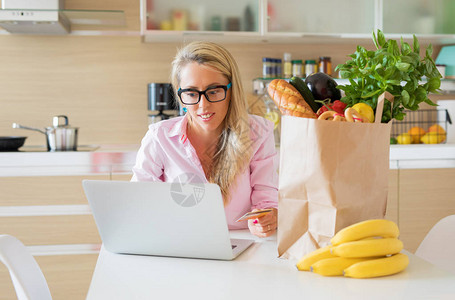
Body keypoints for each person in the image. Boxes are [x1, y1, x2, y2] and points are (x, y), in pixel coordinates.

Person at [131, 41, 278, 238]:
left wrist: (264, 218)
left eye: (214, 91)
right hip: (181, 242)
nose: (203, 105)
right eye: (191, 93)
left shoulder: (257, 133)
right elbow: (138, 200)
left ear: (231, 91)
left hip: (243, 243)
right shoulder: (160, 137)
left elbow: (267, 199)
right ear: (180, 94)